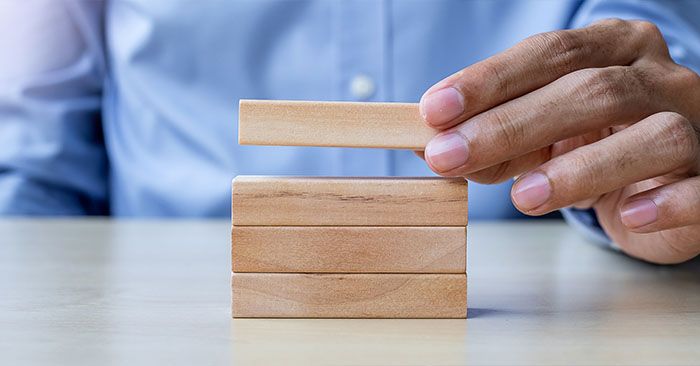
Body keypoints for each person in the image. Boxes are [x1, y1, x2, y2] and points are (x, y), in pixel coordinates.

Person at [0, 1, 698, 264]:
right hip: (175, 310)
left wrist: (646, 161)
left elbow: (646, 45)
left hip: (538, 303)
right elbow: (30, 170)